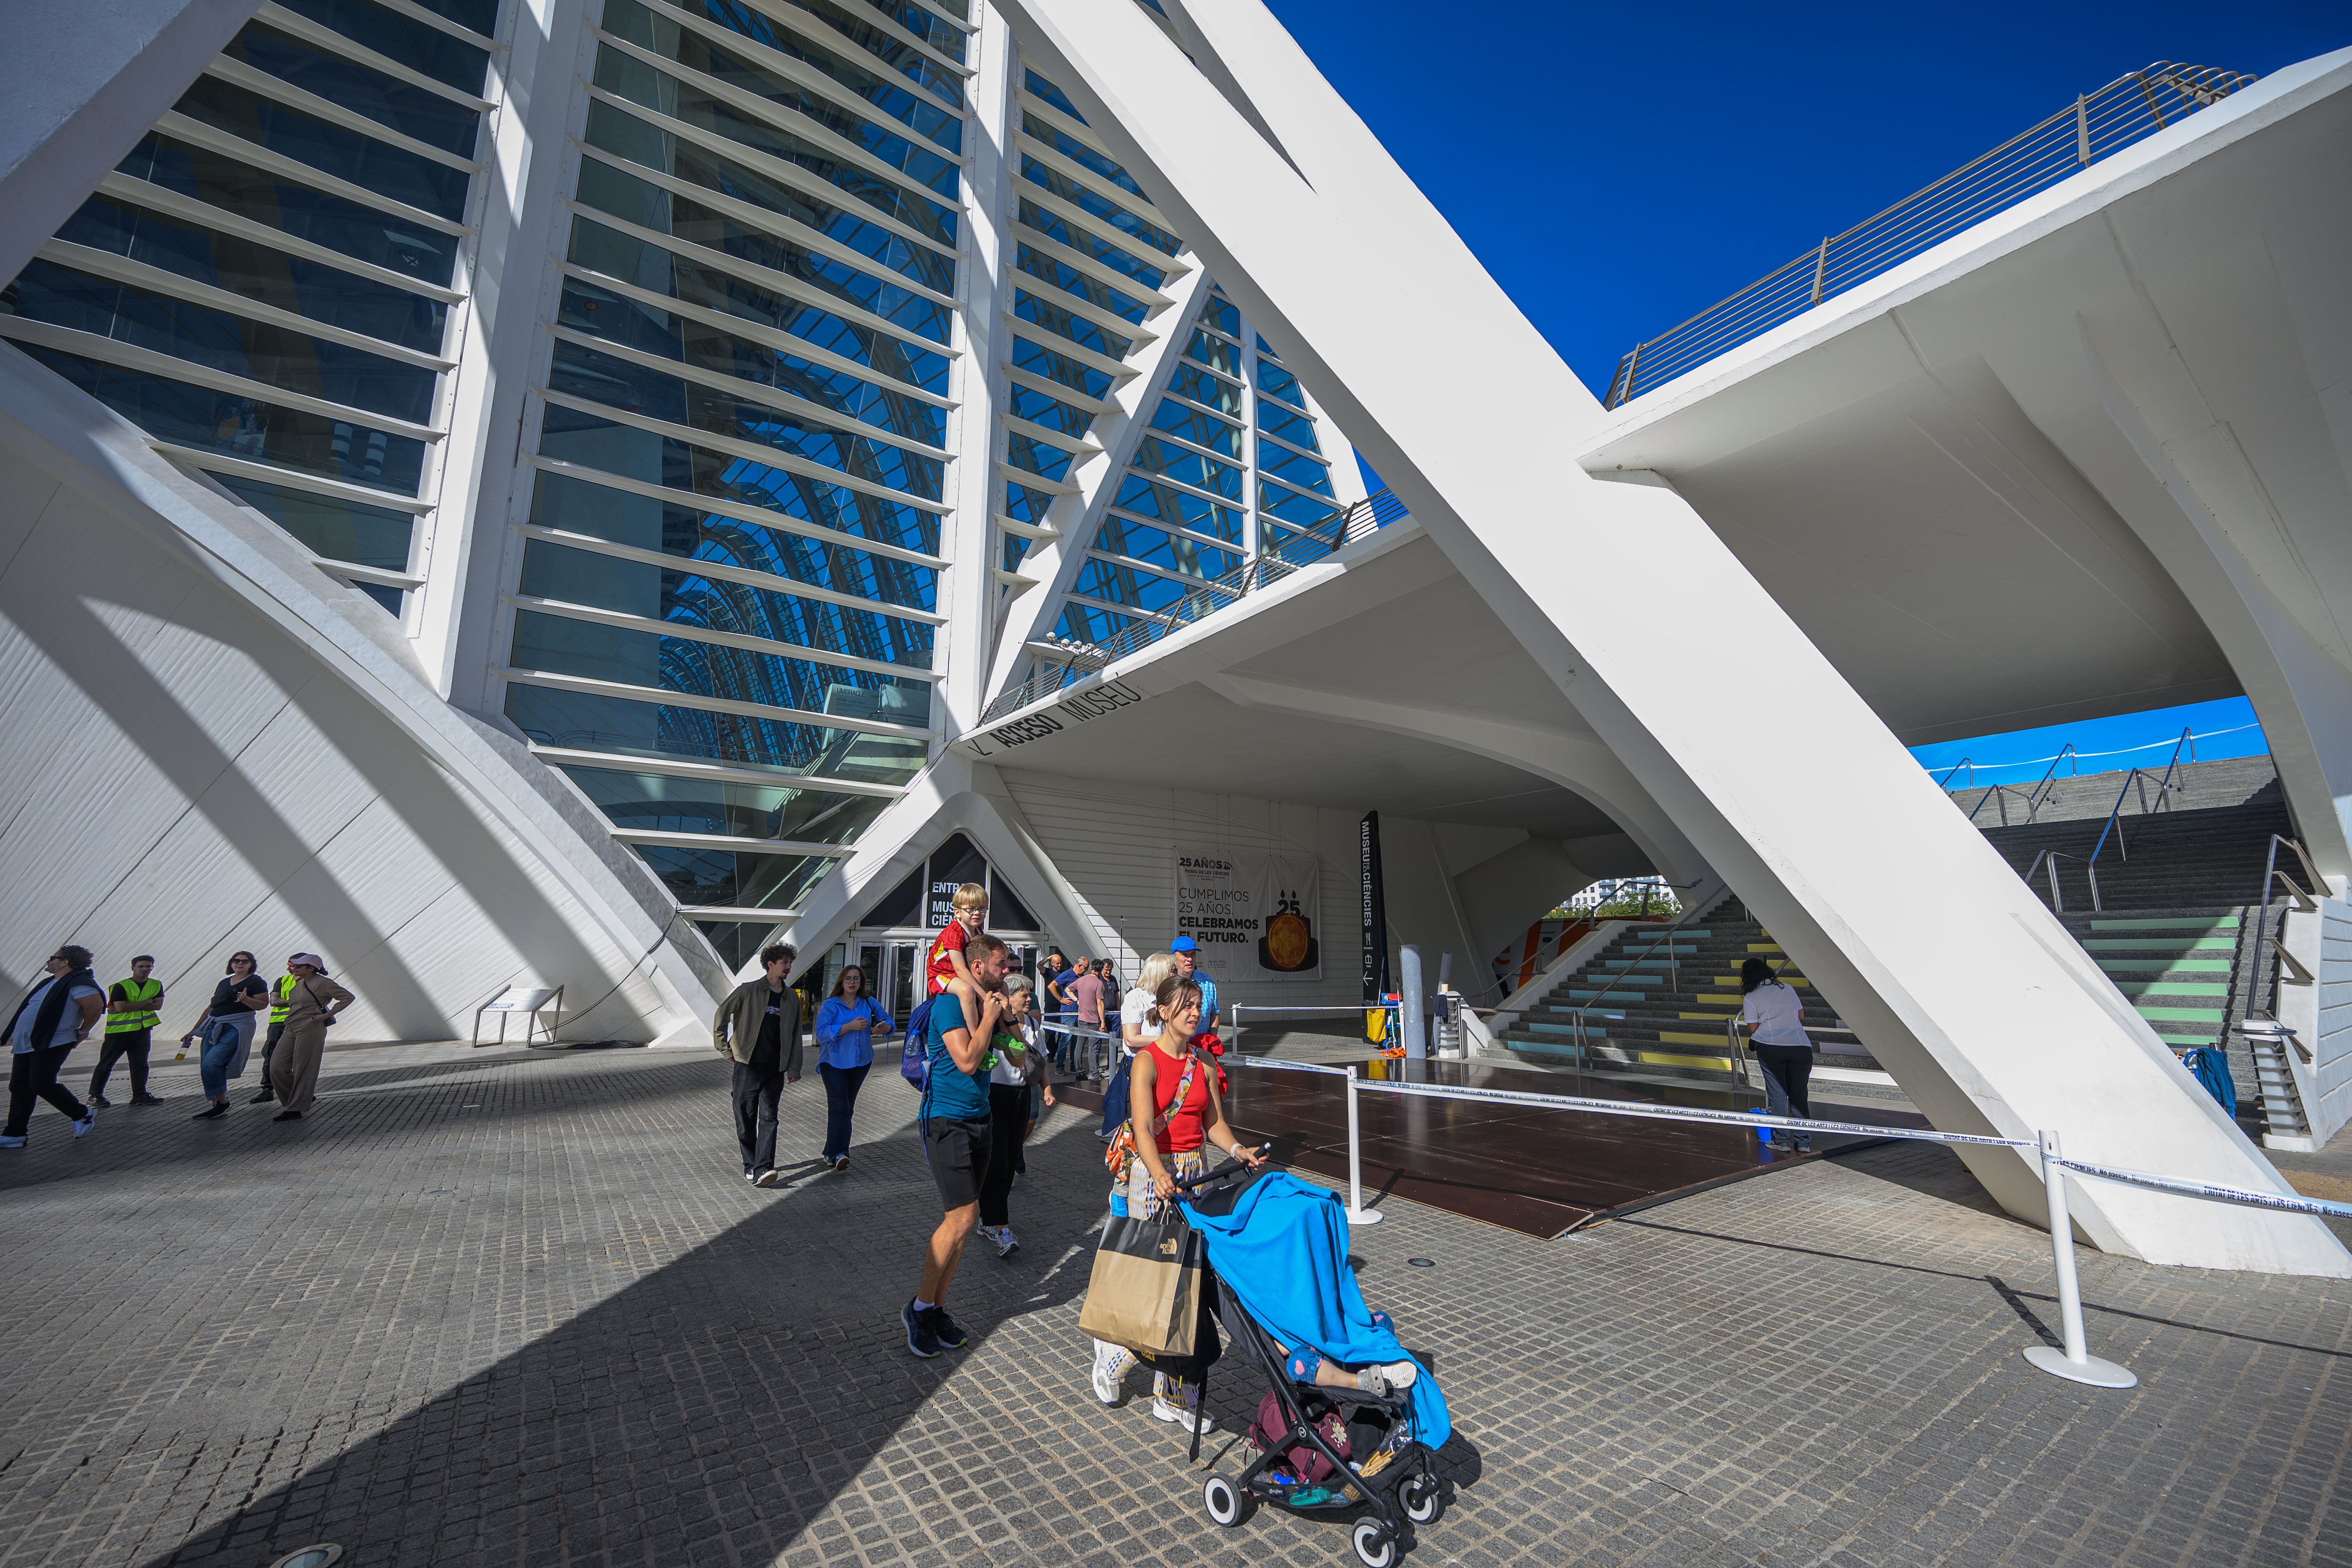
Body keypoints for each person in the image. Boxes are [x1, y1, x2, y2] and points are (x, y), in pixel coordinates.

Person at [1091, 974, 1267, 1432]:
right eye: (1185, 1005)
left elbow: (1214, 1125)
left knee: (1188, 1287)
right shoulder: (1146, 1063)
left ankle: (1172, 1396)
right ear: (1163, 1012)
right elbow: (1144, 1128)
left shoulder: (1204, 1063)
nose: (1194, 1011)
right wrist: (1161, 1174)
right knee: (1154, 1285)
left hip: (1196, 1176)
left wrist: (1237, 1152)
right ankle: (1117, 1355)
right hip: (1153, 1176)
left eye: (1198, 1005)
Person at [904, 932, 1010, 1358]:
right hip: (945, 1121)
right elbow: (967, 1059)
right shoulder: (951, 1003)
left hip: (980, 1118)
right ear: (978, 965)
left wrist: (1008, 1023)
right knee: (963, 1216)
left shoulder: (986, 1002)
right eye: (1001, 965)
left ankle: (935, 1307)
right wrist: (988, 1016)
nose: (1007, 972)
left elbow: (1016, 1057)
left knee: (963, 1225)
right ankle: (918, 1308)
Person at [976, 973, 1054, 1257]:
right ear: (1008, 998)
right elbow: (1006, 1054)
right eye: (1024, 994)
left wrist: (1046, 1088)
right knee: (998, 1161)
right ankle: (1001, 1228)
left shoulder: (1031, 1025)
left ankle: (988, 1218)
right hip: (994, 1094)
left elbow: (1036, 1059)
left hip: (1020, 1094)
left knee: (1008, 1160)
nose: (1029, 998)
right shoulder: (992, 1024)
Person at [713, 943, 802, 1186]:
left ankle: (764, 1168)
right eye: (784, 963)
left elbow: (795, 1034)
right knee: (745, 1119)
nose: (789, 967)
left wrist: (794, 1068)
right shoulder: (748, 991)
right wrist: (725, 1048)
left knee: (769, 1118)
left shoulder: (791, 998)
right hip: (747, 1066)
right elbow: (721, 1016)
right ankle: (750, 1164)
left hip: (775, 1068)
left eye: (790, 963)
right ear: (770, 964)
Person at [1, 945, 105, 1148]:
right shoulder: (50, 982)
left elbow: (95, 1006)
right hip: (28, 1044)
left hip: (52, 1042)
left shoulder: (79, 982)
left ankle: (82, 1114)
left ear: (65, 962)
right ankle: (15, 1134)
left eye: (53, 958)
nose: (48, 962)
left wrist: (83, 1032)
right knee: (19, 1087)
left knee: (40, 1084)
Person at [814, 963, 892, 1174]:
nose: (852, 982)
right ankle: (841, 1153)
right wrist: (848, 1027)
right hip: (834, 1063)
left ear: (861, 982)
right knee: (840, 1107)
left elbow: (889, 1022)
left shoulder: (868, 1002)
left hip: (860, 1062)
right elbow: (820, 1034)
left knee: (847, 1107)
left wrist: (883, 1028)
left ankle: (831, 1151)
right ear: (841, 981)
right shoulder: (831, 1005)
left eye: (856, 979)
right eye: (848, 979)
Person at [267, 954, 353, 1121]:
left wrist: (327, 1015)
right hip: (291, 1025)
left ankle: (296, 1108)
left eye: (299, 966)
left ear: (311, 968)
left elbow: (348, 997)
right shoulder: (299, 983)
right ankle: (300, 1097)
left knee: (304, 1068)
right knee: (276, 1066)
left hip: (311, 1026)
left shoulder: (323, 983)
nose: (295, 968)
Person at [1100, 952, 1176, 1141]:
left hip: (1166, 1064)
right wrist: (1166, 1040)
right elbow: (1131, 1039)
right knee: (1140, 1120)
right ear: (1160, 973)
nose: (1177, 974)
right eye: (1173, 970)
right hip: (1141, 1065)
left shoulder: (1171, 998)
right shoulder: (1136, 998)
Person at [1740, 957, 1813, 1153]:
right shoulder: (1787, 988)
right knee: (1799, 1096)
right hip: (1801, 1046)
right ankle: (1803, 1142)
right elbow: (1800, 1016)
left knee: (1778, 1096)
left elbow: (1753, 1028)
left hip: (1771, 1048)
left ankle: (1781, 1141)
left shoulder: (1751, 997)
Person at [184, 952, 269, 1120]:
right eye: (236, 961)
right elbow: (212, 1008)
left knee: (212, 1063)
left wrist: (245, 1000)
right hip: (214, 1025)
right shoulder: (224, 982)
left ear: (251, 964)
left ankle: (222, 1103)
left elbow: (262, 1004)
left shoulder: (256, 981)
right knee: (207, 1065)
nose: (240, 964)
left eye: (245, 961)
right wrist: (194, 1029)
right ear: (231, 964)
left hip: (236, 1026)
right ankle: (217, 1104)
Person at [89, 954, 166, 1107]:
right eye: (141, 967)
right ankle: (95, 1096)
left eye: (148, 966)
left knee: (140, 1064)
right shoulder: (121, 986)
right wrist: (148, 1001)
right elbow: (121, 1008)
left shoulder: (156, 985)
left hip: (142, 1031)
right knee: (106, 1064)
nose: (145, 969)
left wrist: (135, 1005)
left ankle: (139, 1095)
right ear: (133, 968)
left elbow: (158, 1006)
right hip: (118, 1032)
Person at [250, 960, 302, 1105]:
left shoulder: (313, 982)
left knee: (299, 1057)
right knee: (270, 1055)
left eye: (291, 965)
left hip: (300, 1023)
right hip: (277, 1024)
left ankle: (300, 1091)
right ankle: (268, 1090)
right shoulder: (283, 980)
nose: (288, 969)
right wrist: (299, 1002)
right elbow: (274, 1001)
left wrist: (290, 1001)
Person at [926, 883, 987, 996]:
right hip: (941, 975)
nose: (977, 913)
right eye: (971, 909)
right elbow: (960, 969)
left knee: (1000, 986)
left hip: (964, 973)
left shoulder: (978, 931)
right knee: (967, 991)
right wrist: (983, 996)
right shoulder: (953, 933)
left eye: (982, 908)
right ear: (957, 912)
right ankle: (971, 1015)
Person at [1065, 954, 1106, 1076]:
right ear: (1100, 970)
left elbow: (1068, 990)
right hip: (1093, 1020)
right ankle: (1094, 1073)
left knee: (1080, 1046)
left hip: (1082, 1018)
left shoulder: (1081, 980)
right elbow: (1100, 1003)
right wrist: (1103, 1021)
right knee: (1093, 1048)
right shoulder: (1099, 984)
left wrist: (1077, 1000)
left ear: (1092, 969)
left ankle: (1079, 1071)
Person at [1171, 936, 1218, 1031]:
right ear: (1174, 958)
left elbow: (1215, 1012)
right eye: (1185, 955)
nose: (1190, 959)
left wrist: (1211, 1038)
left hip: (1202, 1044)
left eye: (1193, 954)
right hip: (1176, 1044)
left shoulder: (1207, 982)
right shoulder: (1168, 983)